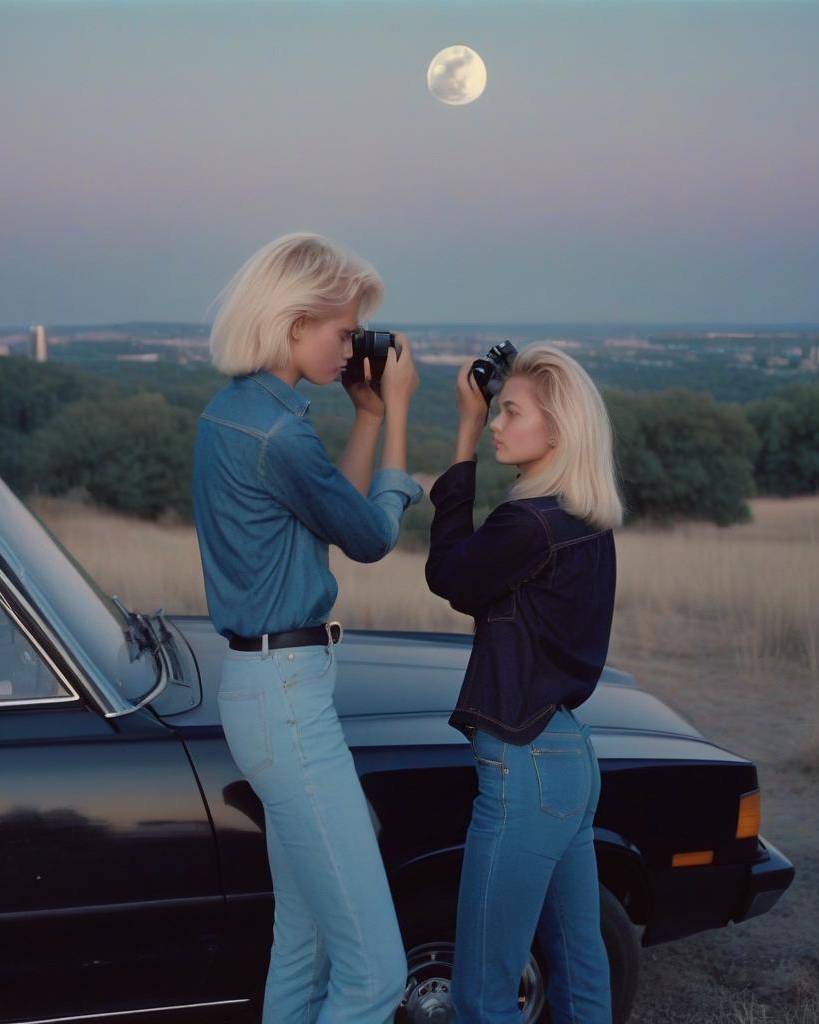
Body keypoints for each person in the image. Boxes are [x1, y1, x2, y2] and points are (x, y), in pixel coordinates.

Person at [192, 232, 422, 1024]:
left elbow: (334, 516)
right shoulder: (280, 434)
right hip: (288, 704)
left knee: (305, 942)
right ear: (293, 322)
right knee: (375, 975)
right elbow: (369, 536)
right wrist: (395, 417)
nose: (351, 347)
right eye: (341, 331)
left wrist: (361, 415)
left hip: (264, 694)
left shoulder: (235, 414)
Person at [425, 343, 624, 1024]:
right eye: (494, 411)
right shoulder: (585, 521)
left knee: (483, 992)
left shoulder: (528, 524)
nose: (497, 423)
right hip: (568, 756)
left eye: (510, 412)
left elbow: (449, 575)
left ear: (559, 428)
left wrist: (461, 433)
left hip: (526, 763)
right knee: (580, 968)